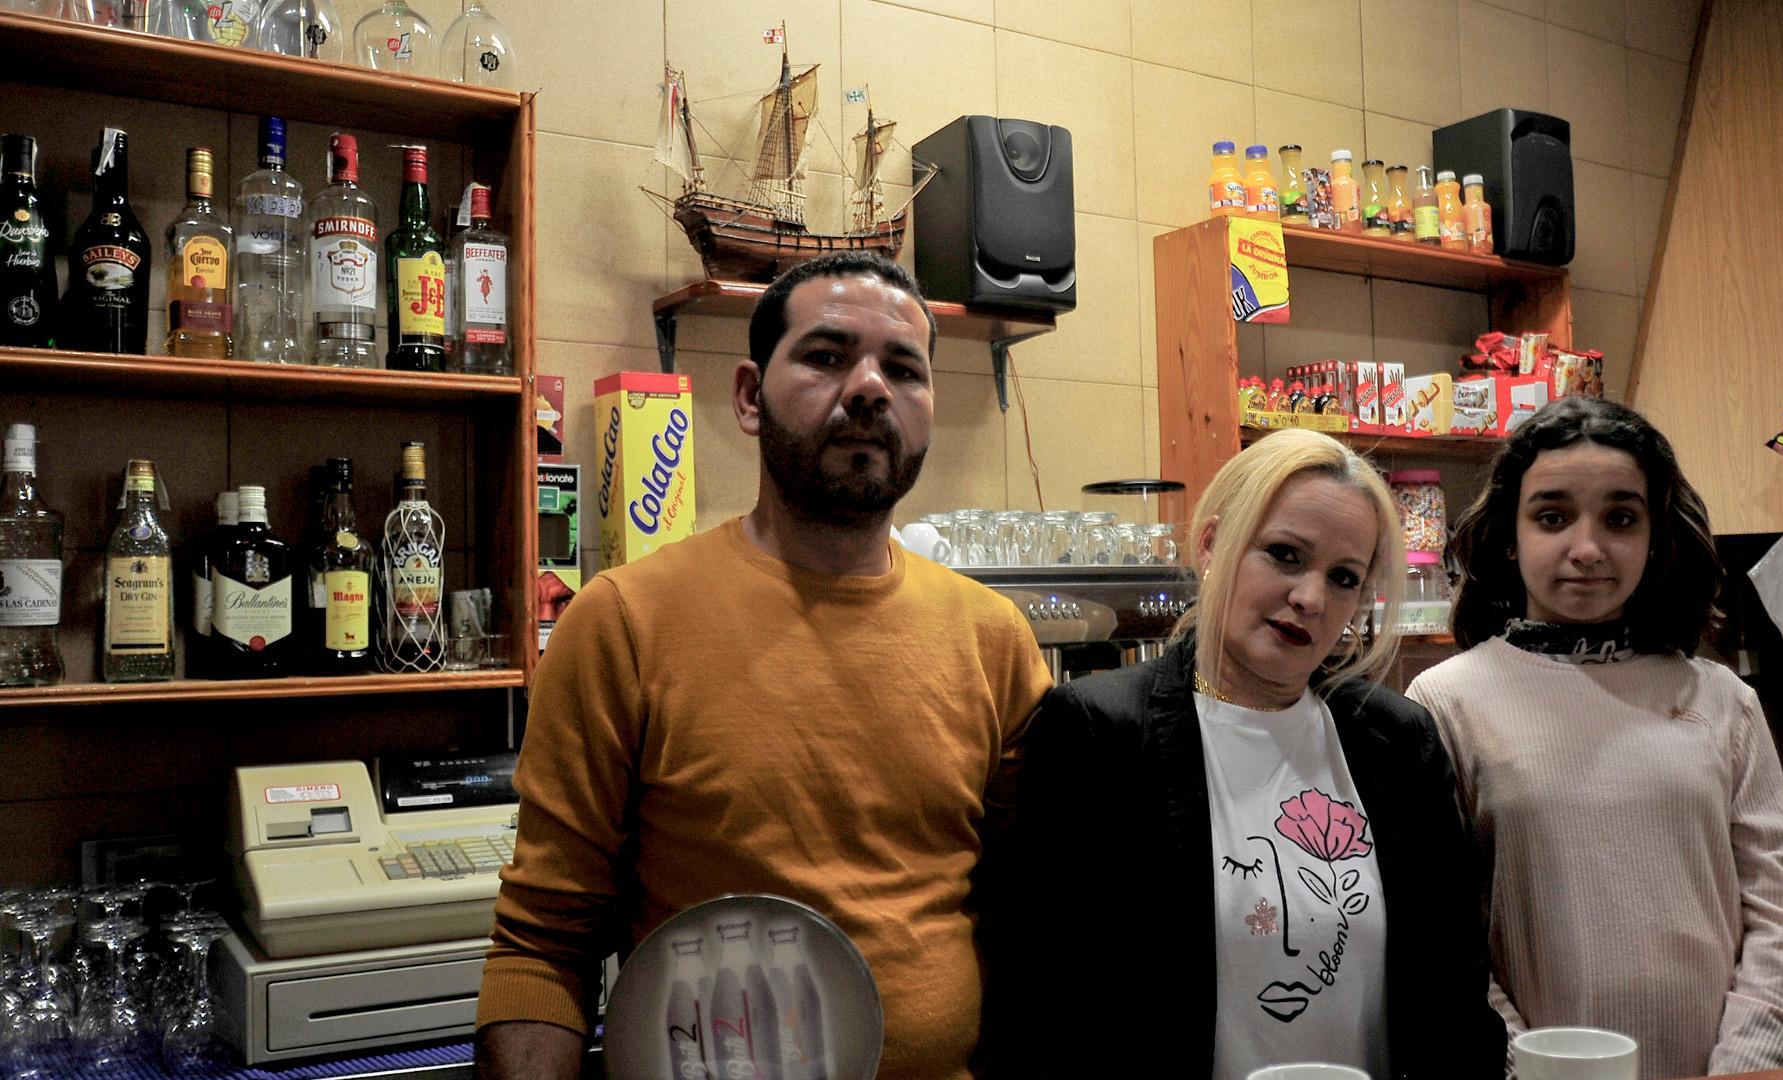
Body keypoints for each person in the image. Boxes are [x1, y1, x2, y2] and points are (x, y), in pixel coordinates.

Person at [475, 251, 1053, 1080]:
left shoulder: (993, 639)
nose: (868, 388)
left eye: (902, 369)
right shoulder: (625, 623)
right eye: (825, 357)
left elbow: (1020, 919)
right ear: (750, 396)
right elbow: (543, 945)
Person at [986, 429, 1506, 1079]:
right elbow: (1039, 1005)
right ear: (1212, 545)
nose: (1311, 599)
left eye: (1343, 578)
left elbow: (1453, 991)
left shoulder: (1398, 743)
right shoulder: (1100, 734)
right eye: (1286, 555)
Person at [1405, 396, 1783, 1078]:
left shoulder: (1723, 702)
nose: (1588, 548)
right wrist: (1530, 1067)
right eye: (1552, 516)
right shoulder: (1446, 702)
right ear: (1511, 535)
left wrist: (1746, 1067)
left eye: (1621, 518)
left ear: (1656, 537)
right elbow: (1441, 942)